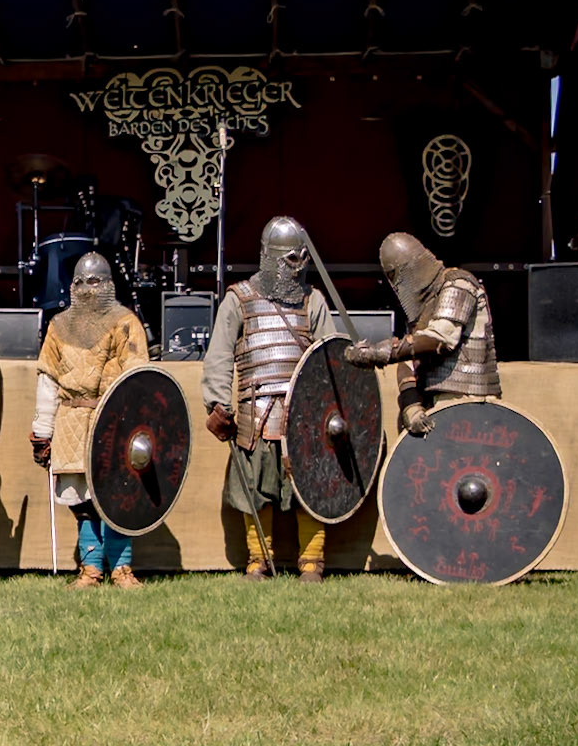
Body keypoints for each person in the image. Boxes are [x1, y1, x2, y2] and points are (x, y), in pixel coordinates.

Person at [201, 216, 337, 581]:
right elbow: (219, 356)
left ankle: (311, 561)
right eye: (290, 261)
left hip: (304, 413)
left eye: (301, 260)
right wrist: (217, 403)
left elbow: (330, 356)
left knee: (309, 487)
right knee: (255, 491)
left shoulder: (314, 302)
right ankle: (259, 560)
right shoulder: (238, 300)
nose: (297, 269)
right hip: (255, 413)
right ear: (271, 258)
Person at [30, 251, 150, 588]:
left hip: (112, 419)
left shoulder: (125, 322)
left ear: (108, 285)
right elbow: (48, 380)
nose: (87, 288)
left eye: (95, 282)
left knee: (116, 496)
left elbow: (137, 376)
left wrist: (135, 424)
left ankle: (121, 567)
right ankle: (91, 568)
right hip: (71, 420)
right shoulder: (59, 326)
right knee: (81, 499)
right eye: (81, 282)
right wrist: (42, 431)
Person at [344, 232, 500, 428]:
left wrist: (382, 352)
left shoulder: (459, 283)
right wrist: (411, 405)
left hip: (470, 401)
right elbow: (408, 362)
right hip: (435, 408)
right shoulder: (420, 312)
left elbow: (439, 339)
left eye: (397, 275)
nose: (397, 284)